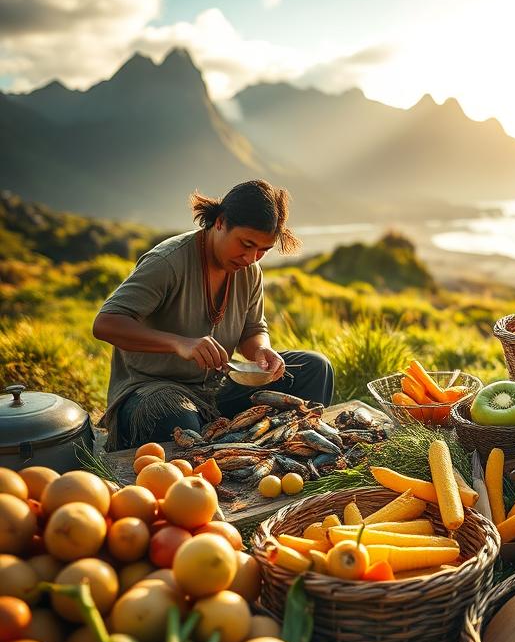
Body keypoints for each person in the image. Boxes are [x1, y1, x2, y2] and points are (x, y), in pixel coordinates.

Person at [93, 179, 334, 450]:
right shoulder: (166, 263)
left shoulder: (250, 269)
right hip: (153, 390)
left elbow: (253, 329)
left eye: (262, 251)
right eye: (245, 244)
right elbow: (106, 324)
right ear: (220, 222)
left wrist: (261, 353)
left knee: (315, 368)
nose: (251, 258)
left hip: (216, 389)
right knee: (176, 418)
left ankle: (290, 451)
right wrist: (180, 343)